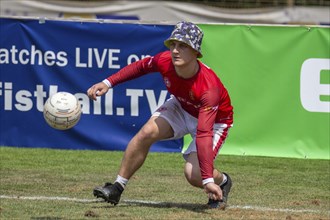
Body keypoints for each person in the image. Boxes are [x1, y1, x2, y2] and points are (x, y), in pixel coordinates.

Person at [87, 21, 233, 209]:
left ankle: (222, 181)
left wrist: (207, 180)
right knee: (147, 132)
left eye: (182, 45)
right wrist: (108, 82)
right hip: (182, 107)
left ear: (196, 52)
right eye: (173, 44)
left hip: (214, 123)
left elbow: (204, 133)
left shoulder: (208, 88)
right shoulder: (165, 61)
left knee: (193, 175)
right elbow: (140, 67)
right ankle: (117, 187)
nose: (175, 50)